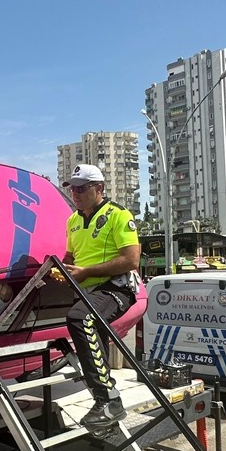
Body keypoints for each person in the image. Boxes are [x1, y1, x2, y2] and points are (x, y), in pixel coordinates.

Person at [59, 164, 141, 430]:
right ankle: (107, 401)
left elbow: (131, 260)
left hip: (116, 287)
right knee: (94, 332)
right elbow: (70, 259)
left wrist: (86, 272)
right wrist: (58, 270)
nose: (75, 194)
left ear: (99, 188)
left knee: (79, 318)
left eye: (81, 188)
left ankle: (107, 399)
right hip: (87, 291)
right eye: (72, 189)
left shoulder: (118, 215)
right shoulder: (72, 221)